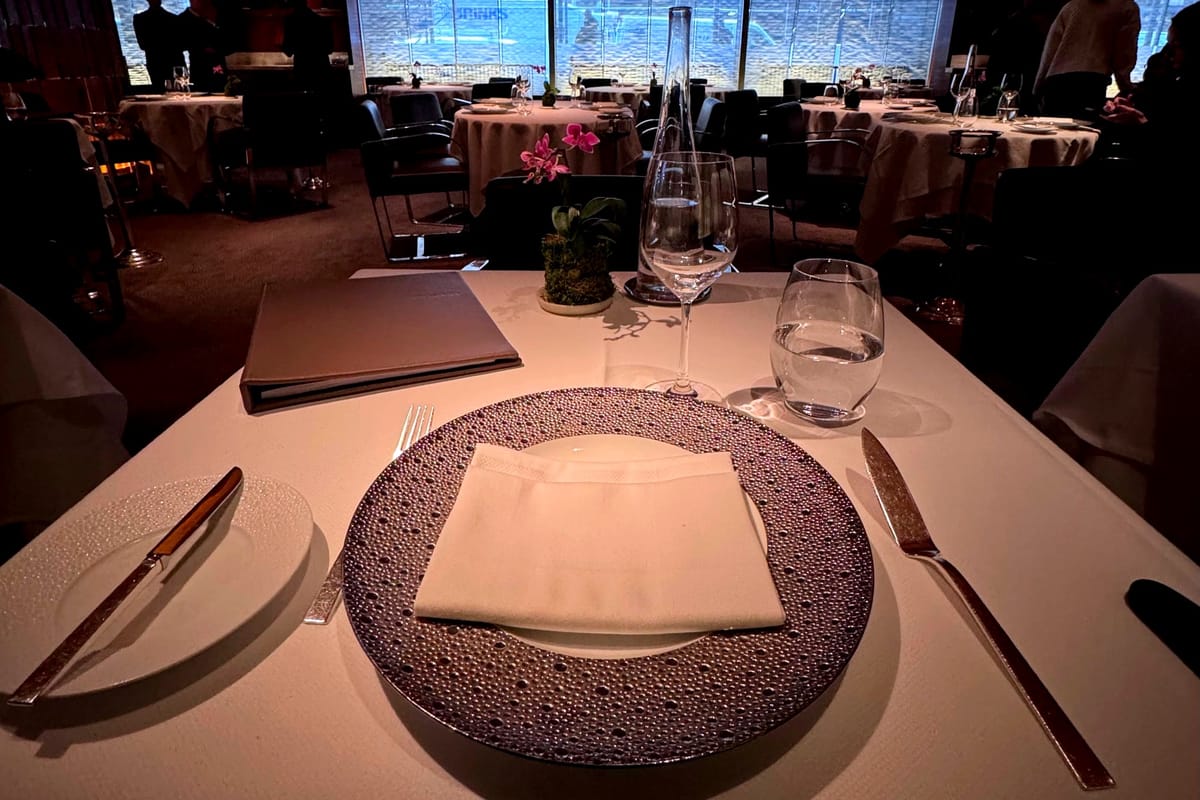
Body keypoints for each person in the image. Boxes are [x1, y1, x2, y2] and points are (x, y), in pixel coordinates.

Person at [1033, 0, 1141, 118]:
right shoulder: (1126, 7)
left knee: (1052, 133)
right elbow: (1125, 52)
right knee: (1083, 132)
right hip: (1090, 82)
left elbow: (1050, 51)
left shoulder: (1072, 6)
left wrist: (1038, 88)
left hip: (1056, 82)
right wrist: (1125, 86)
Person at [282, 0, 333, 91]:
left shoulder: (291, 21)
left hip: (303, 69)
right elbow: (329, 49)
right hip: (322, 69)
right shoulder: (321, 21)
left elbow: (288, 50)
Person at [133, 0, 184, 92]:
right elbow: (181, 44)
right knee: (178, 92)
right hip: (170, 60)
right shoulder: (174, 18)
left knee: (167, 92)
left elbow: (143, 44)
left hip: (158, 61)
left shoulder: (140, 19)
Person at [177, 0, 227, 92]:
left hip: (217, 67)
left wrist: (212, 23)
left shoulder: (215, 16)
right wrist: (201, 47)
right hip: (198, 68)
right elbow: (180, 44)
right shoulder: (182, 20)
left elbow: (226, 40)